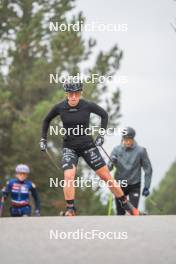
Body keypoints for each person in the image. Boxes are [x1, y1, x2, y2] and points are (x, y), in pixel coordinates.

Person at [40, 81, 139, 216]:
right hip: (70, 147)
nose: (74, 97)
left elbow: (104, 114)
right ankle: (70, 209)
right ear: (67, 94)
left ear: (80, 94)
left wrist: (101, 135)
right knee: (68, 176)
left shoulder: (87, 105)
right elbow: (46, 120)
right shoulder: (60, 107)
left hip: (87, 146)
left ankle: (126, 204)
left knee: (106, 176)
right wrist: (43, 139)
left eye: (76, 94)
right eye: (71, 94)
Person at [108, 127, 153, 215]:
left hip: (134, 184)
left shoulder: (141, 151)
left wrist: (147, 186)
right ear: (122, 139)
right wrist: (111, 163)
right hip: (120, 185)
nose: (128, 141)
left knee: (133, 212)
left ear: (133, 138)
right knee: (120, 213)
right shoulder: (116, 150)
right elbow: (108, 168)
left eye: (130, 139)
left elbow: (148, 169)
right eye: (125, 139)